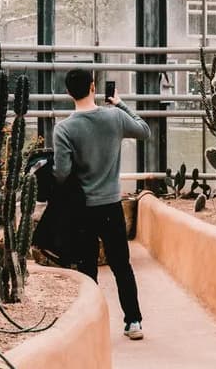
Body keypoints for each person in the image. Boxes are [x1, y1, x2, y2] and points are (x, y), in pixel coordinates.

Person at [53, 69, 149, 340]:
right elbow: (144, 130)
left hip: (82, 208)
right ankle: (133, 322)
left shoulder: (64, 129)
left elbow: (61, 173)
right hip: (111, 205)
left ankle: (90, 326)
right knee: (121, 265)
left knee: (87, 267)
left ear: (68, 93)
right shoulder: (115, 117)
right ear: (94, 87)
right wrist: (120, 104)